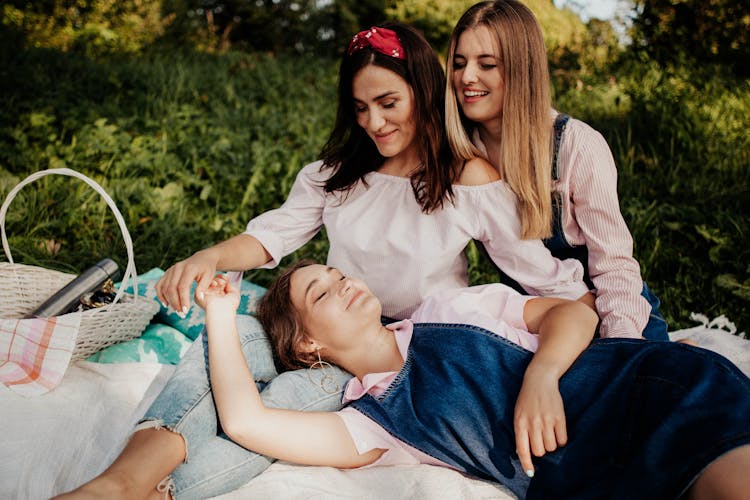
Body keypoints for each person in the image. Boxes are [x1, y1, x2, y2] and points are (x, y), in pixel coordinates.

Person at [57, 23, 591, 500]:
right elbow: (271, 238)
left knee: (289, 396)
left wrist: (605, 321)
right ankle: (116, 483)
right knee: (235, 336)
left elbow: (538, 275)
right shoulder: (336, 176)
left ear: (425, 93)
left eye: (388, 102)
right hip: (322, 323)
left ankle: (167, 491)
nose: (374, 122)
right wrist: (211, 255)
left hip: (389, 362)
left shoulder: (465, 180)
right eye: (360, 109)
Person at [59, 261, 750, 499]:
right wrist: (217, 313)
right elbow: (245, 422)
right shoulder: (370, 423)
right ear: (308, 345)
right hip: (599, 484)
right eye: (323, 293)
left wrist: (541, 375)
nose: (345, 282)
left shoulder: (449, 309)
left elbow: (568, 313)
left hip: (658, 397)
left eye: (336, 274)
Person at [444, 0, 668, 341]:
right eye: (459, 64)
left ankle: (676, 350)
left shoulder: (577, 145)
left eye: (486, 64)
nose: (466, 77)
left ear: (522, 69)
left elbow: (613, 263)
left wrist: (620, 338)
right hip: (532, 314)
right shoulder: (461, 152)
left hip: (605, 306)